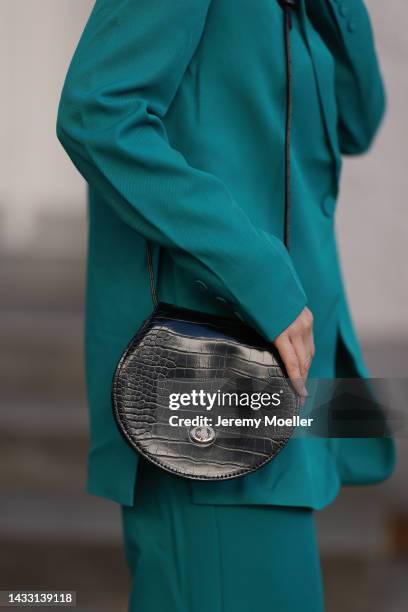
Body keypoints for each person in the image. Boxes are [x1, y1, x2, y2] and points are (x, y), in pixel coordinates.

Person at [56, 1, 395, 610]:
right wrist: (257, 272)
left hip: (280, 394)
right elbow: (97, 112)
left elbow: (359, 121)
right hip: (208, 385)